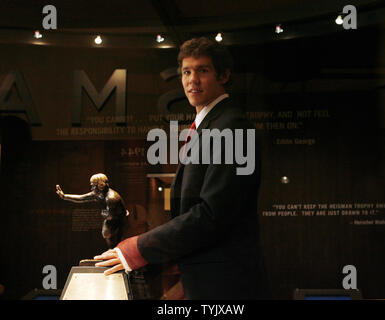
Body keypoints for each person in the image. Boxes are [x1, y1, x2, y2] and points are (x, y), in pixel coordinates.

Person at [95, 37, 269, 299]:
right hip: (210, 282)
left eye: (203, 70)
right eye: (186, 72)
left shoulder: (232, 126)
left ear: (224, 75)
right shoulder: (210, 125)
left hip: (226, 287)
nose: (192, 80)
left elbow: (213, 215)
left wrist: (138, 248)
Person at [56, 173, 130, 249]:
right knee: (107, 235)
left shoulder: (111, 198)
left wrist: (103, 213)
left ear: (100, 185)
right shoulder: (99, 193)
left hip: (119, 219)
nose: (92, 188)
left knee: (117, 239)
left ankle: (116, 251)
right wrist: (64, 196)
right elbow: (82, 198)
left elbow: (110, 215)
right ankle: (113, 250)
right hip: (111, 218)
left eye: (93, 186)